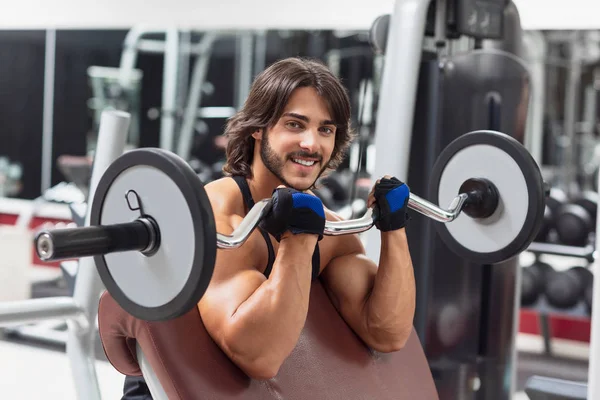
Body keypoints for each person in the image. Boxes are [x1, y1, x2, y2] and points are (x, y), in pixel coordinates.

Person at [122, 56, 415, 398]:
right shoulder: (218, 222)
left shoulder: (333, 235)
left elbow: (387, 334)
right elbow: (259, 357)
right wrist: (299, 240)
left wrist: (395, 228)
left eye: (325, 129)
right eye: (295, 124)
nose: (311, 144)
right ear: (258, 128)